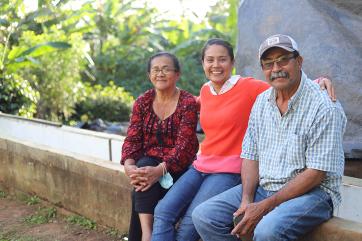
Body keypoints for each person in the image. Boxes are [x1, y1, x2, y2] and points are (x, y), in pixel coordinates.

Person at [151, 38, 336, 241]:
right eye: (209, 60)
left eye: (222, 59)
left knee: (190, 222)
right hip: (203, 165)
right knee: (164, 211)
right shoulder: (206, 91)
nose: (215, 65)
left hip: (229, 171)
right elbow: (182, 110)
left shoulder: (250, 88)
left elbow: (285, 83)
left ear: (232, 63)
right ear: (203, 64)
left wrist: (318, 81)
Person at [121, 52, 199, 241]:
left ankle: (143, 237)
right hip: (148, 166)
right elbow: (132, 139)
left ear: (177, 74)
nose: (160, 74)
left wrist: (160, 170)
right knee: (143, 170)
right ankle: (148, 236)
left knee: (141, 183)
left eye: (166, 69)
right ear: (149, 75)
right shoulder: (143, 102)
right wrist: (129, 165)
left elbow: (185, 146)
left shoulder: (187, 103)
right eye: (155, 70)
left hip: (180, 167)